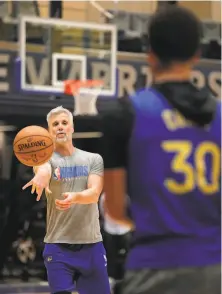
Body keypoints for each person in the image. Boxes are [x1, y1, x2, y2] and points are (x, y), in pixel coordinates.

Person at [101, 6, 221, 294]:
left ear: (150, 53)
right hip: (215, 269)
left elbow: (115, 212)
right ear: (197, 54)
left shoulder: (124, 114)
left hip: (153, 267)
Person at [23, 106, 110, 294]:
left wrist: (76, 197)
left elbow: (95, 193)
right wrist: (41, 176)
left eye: (64, 123)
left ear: (72, 127)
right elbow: (43, 169)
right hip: (58, 247)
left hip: (91, 246)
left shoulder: (93, 159)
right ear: (49, 131)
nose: (60, 127)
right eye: (55, 124)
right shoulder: (45, 160)